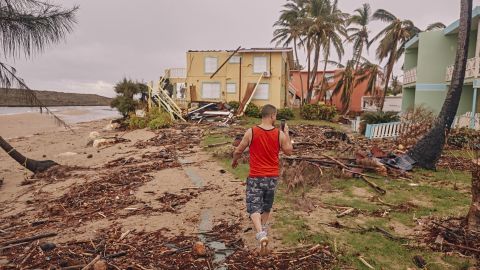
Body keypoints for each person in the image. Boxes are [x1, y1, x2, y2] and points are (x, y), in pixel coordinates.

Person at [232, 104, 293, 254]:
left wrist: (234, 161)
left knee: (253, 206)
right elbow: (289, 152)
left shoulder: (251, 132)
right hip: (272, 177)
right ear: (272, 116)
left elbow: (239, 150)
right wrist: (287, 134)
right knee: (266, 206)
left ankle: (260, 234)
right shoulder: (279, 134)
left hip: (255, 176)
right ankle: (263, 230)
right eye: (275, 115)